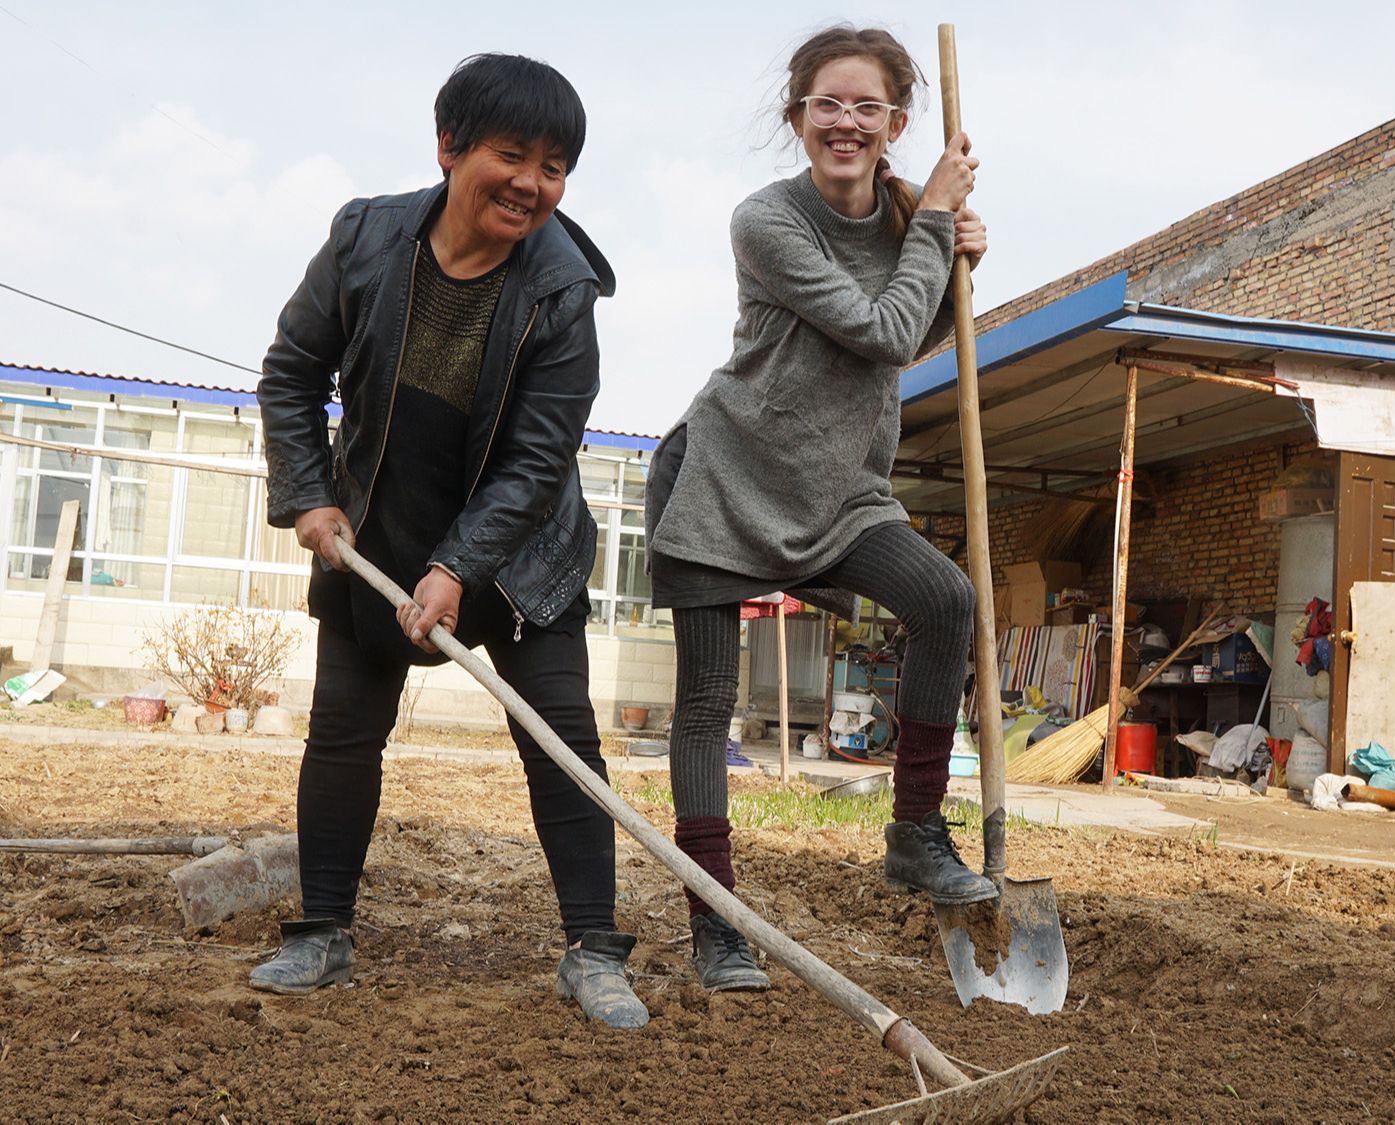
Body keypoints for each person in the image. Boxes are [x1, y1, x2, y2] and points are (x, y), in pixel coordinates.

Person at [253, 54, 646, 1028]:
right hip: (376, 539)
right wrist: (307, 492)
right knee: (344, 733)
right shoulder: (366, 238)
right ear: (449, 148)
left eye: (554, 166)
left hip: (519, 562)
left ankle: (594, 951)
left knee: (562, 742)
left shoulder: (564, 295)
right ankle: (323, 933)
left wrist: (457, 568)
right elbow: (291, 371)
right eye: (512, 155)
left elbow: (536, 463)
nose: (532, 183)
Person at [644, 26, 990, 992]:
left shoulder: (904, 214)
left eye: (865, 106)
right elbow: (877, 331)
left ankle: (917, 831)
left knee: (946, 601)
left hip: (843, 491)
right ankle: (717, 926)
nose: (845, 122)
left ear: (897, 124)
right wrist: (933, 229)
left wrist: (959, 253)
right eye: (826, 104)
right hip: (731, 478)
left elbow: (913, 331)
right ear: (797, 118)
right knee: (708, 707)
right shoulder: (766, 221)